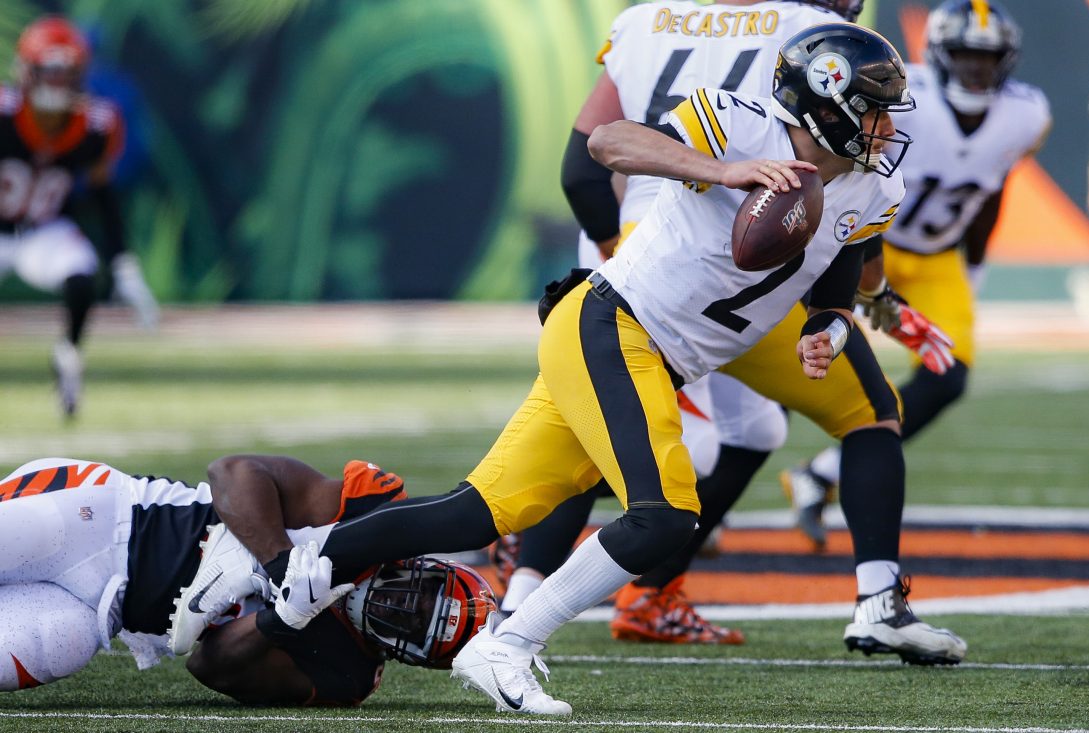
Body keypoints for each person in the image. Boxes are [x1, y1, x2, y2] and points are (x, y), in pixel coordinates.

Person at [170, 23, 966, 717]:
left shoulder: (874, 182)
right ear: (825, 104)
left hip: (655, 353)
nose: (886, 125)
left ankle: (294, 560)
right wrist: (722, 170)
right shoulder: (739, 122)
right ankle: (509, 645)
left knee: (475, 514)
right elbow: (608, 142)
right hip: (613, 324)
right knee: (665, 515)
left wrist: (830, 324)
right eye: (873, 107)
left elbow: (843, 262)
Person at [496, 0, 865, 646]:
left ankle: (641, 590)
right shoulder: (809, 35)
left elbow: (582, 170)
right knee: (676, 449)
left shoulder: (644, 20)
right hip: (696, 246)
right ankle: (529, 589)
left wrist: (609, 247)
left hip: (642, 238)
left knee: (751, 427)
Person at [781, 0, 1051, 545]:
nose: (976, 68)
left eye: (987, 58)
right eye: (965, 55)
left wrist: (975, 266)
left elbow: (990, 191)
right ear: (940, 54)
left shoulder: (1026, 114)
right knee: (795, 358)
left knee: (947, 373)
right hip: (859, 242)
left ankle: (824, 473)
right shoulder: (905, 101)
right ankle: (724, 472)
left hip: (934, 257)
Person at [0, 454, 494, 706]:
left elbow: (210, 667)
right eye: (426, 598)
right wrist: (279, 563)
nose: (405, 611)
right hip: (103, 516)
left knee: (51, 644)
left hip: (102, 613)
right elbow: (232, 471)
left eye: (419, 628)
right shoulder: (363, 516)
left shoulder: (347, 674)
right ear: (428, 567)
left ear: (414, 659)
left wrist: (287, 617)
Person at [0, 15, 159, 418]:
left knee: (81, 270)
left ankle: (68, 356)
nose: (57, 83)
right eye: (49, 71)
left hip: (42, 230)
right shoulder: (4, 113)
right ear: (27, 71)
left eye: (66, 72)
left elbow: (104, 195)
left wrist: (123, 265)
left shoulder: (97, 125)